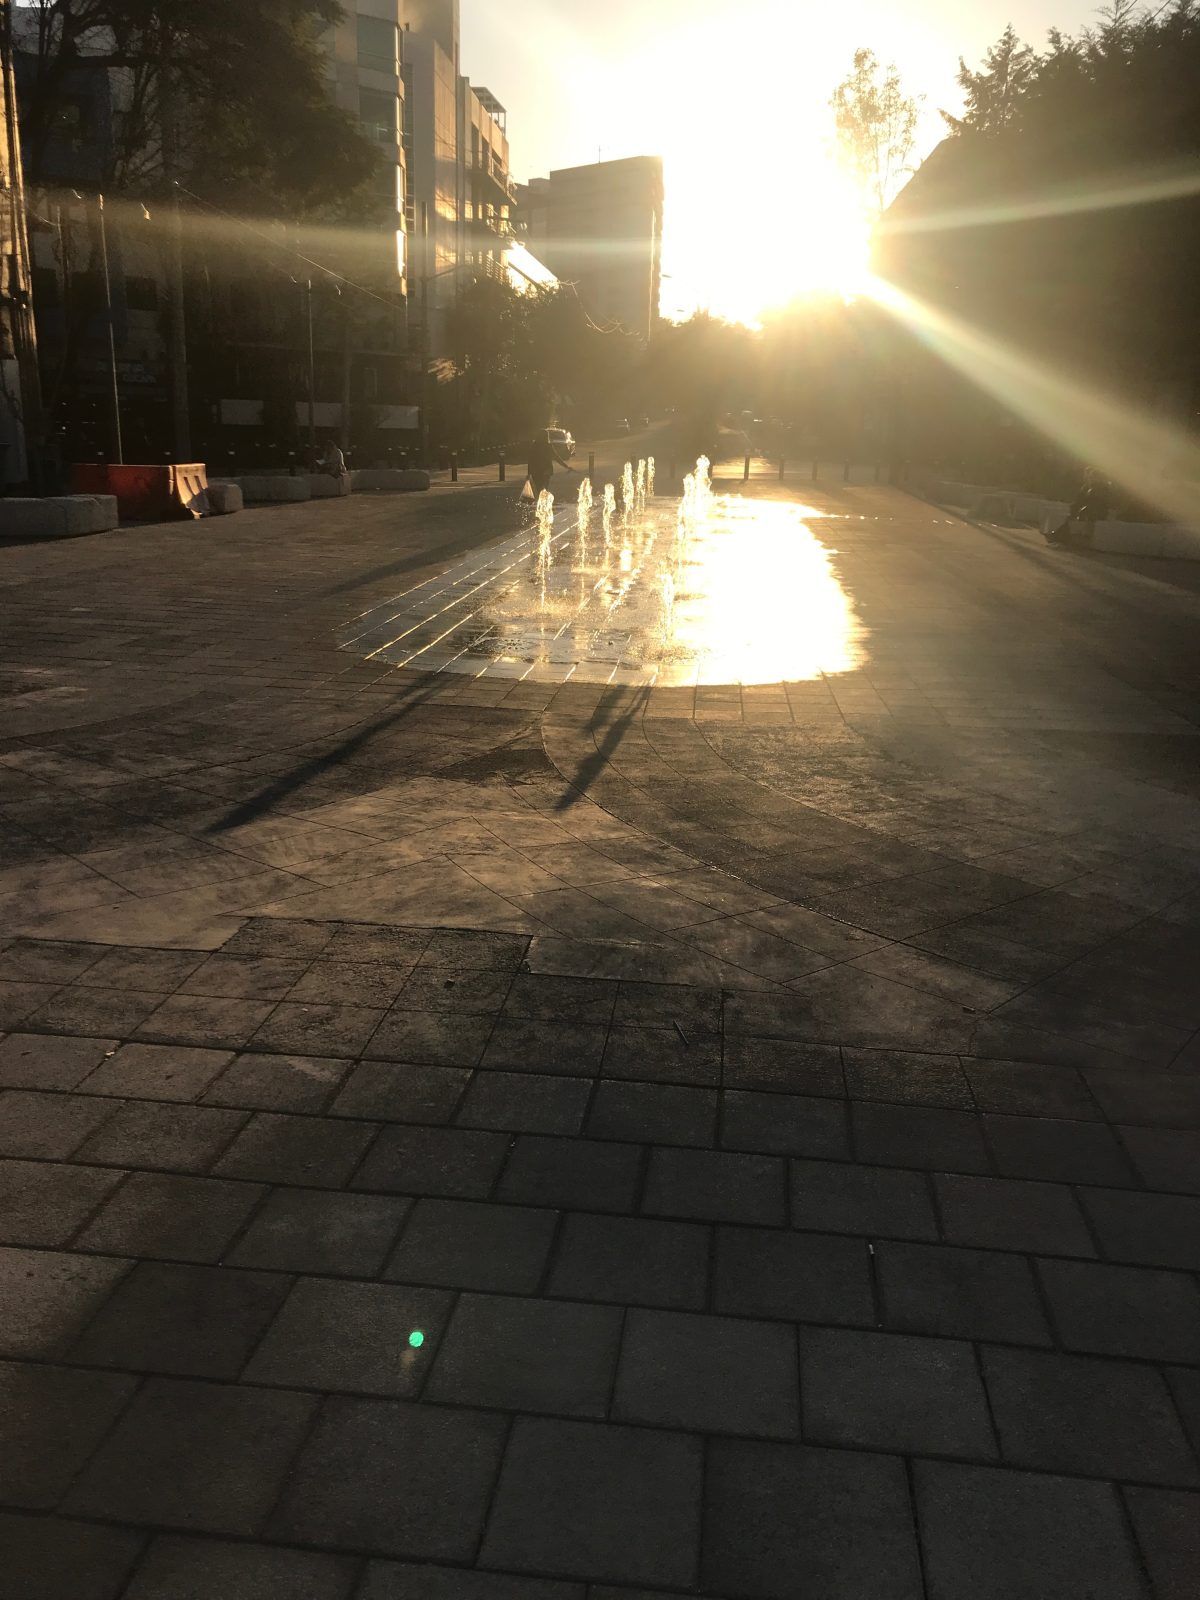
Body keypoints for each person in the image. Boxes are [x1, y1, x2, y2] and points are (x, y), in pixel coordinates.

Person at [1049, 467, 1111, 544]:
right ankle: (1059, 536)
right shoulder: (1091, 487)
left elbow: (1096, 503)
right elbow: (1083, 501)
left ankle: (1058, 536)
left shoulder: (1099, 488)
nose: (1090, 478)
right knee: (1071, 517)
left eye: (1092, 477)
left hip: (1093, 513)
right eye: (1090, 477)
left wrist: (1080, 509)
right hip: (1088, 511)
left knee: (1072, 518)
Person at [525, 429, 568, 499]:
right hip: (546, 470)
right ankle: (543, 501)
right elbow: (556, 457)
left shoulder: (534, 446)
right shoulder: (548, 446)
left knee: (538, 487)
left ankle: (539, 500)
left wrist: (529, 473)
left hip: (536, 471)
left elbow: (530, 460)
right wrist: (566, 466)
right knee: (544, 488)